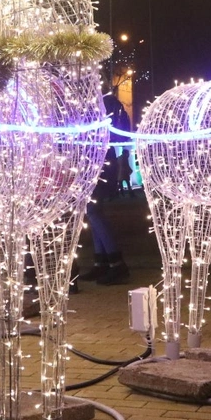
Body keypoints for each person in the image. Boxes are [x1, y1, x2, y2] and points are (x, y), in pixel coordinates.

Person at [80, 95, 131, 285]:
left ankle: (116, 263)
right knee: (93, 212)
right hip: (96, 165)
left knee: (93, 212)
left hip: (99, 166)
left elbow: (118, 135)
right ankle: (102, 262)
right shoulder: (103, 104)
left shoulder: (102, 106)